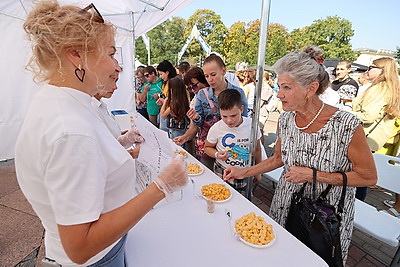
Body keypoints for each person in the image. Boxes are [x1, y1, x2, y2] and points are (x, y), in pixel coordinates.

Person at [15, 2, 187, 266]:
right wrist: (161, 186)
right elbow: (80, 246)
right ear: (77, 56)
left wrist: (121, 147)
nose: (117, 67)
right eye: (110, 54)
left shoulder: (63, 103)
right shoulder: (70, 130)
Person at [224, 45, 377, 265]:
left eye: (286, 87)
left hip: (326, 216)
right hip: (286, 204)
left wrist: (313, 175)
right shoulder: (286, 120)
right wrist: (243, 172)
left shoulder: (346, 125)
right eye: (278, 86)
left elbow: (369, 177)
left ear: (311, 88)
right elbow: (278, 159)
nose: (278, 94)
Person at [187, 54, 248, 170]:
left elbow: (244, 121)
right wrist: (196, 118)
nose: (210, 79)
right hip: (209, 146)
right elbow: (200, 125)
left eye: (213, 75)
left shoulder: (238, 92)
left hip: (231, 146)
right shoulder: (202, 94)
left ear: (223, 71)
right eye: (206, 76)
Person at [351, 57, 400, 203]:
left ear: (382, 70)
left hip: (364, 137)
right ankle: (355, 207)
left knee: (357, 177)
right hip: (368, 139)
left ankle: (353, 208)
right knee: (360, 176)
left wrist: (343, 112)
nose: (368, 69)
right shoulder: (387, 88)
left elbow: (368, 115)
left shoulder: (381, 88)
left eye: (372, 67)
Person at [205, 89, 262, 191]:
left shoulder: (252, 125)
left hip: (245, 171)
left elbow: (257, 150)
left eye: (233, 115)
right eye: (224, 116)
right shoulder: (217, 127)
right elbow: (207, 147)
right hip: (222, 170)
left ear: (241, 109)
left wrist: (258, 172)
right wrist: (217, 154)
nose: (229, 120)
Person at [92, 66, 143, 159]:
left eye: (116, 81)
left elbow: (109, 141)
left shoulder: (101, 106)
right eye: (111, 80)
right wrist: (131, 153)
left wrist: (126, 138)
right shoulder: (91, 109)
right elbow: (99, 154)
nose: (115, 87)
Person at [173, 67, 209, 155]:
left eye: (195, 85)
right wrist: (184, 137)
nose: (193, 90)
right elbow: (193, 127)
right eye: (189, 88)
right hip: (204, 143)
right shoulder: (195, 101)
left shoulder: (215, 94)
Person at [160, 77, 190, 148]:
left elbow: (163, 115)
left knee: (176, 149)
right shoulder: (184, 99)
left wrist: (164, 102)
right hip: (181, 129)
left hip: (175, 130)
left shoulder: (175, 102)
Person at [156, 60, 178, 132]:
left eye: (161, 74)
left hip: (170, 114)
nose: (160, 77)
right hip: (165, 112)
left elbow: (175, 101)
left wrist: (165, 102)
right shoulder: (165, 83)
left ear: (167, 72)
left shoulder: (174, 83)